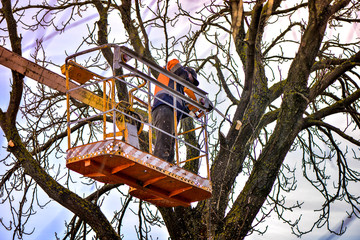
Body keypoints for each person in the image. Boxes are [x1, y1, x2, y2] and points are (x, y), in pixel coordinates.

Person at [152, 59, 200, 163]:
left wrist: (197, 107)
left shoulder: (179, 92)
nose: (190, 83)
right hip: (164, 107)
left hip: (170, 113)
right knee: (163, 146)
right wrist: (186, 77)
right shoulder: (172, 69)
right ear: (186, 71)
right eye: (191, 80)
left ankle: (164, 170)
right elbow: (174, 65)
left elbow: (182, 111)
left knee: (169, 152)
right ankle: (157, 167)